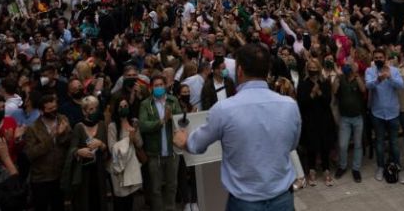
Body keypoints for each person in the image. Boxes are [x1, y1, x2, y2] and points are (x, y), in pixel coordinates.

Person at [175, 42, 301, 211]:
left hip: (245, 202)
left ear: (239, 71)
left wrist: (183, 140)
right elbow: (291, 144)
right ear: (267, 71)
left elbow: (196, 145)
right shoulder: (290, 105)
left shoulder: (223, 109)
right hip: (282, 199)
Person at [139, 76, 182, 211]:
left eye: (161, 85)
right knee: (156, 188)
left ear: (165, 86)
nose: (159, 87)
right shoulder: (146, 104)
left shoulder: (173, 101)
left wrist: (172, 117)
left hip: (172, 152)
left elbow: (180, 122)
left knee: (172, 185)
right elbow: (143, 125)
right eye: (156, 85)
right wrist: (161, 122)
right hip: (154, 153)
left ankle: (171, 208)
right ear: (151, 88)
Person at [365, 47, 404, 183]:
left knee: (394, 142)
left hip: (393, 112)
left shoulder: (394, 70)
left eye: (380, 58)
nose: (378, 60)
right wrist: (378, 79)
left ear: (385, 58)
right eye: (376, 58)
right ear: (373, 59)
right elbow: (368, 85)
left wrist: (390, 77)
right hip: (377, 114)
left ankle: (397, 166)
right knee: (380, 143)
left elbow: (401, 85)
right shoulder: (370, 71)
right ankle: (381, 167)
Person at [24, 94, 70, 211]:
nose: (53, 111)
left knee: (59, 206)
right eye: (49, 109)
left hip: (60, 175)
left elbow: (69, 142)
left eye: (55, 107)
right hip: (41, 178)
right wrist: (53, 136)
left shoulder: (63, 119)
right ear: (41, 110)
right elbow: (31, 154)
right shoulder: (32, 128)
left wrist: (62, 135)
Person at [61, 95, 108, 211]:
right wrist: (79, 152)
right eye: (91, 109)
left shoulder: (102, 125)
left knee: (100, 202)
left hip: (99, 171)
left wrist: (101, 144)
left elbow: (107, 149)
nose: (94, 111)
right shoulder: (78, 127)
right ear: (84, 111)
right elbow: (72, 150)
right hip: (83, 173)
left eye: (96, 108)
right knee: (85, 202)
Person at [296, 57, 336, 187]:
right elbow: (301, 103)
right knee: (311, 146)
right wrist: (312, 95)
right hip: (310, 119)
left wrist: (319, 93)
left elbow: (328, 101)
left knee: (325, 146)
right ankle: (311, 170)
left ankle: (326, 170)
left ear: (319, 69)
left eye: (315, 68)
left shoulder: (324, 82)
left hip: (324, 118)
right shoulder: (303, 82)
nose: (313, 70)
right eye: (310, 68)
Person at [107, 97, 144, 211]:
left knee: (129, 198)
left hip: (130, 165)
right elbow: (112, 148)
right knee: (119, 200)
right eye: (121, 107)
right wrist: (129, 140)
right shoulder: (112, 126)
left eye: (126, 106)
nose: (124, 109)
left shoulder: (133, 122)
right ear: (117, 109)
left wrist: (135, 132)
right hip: (118, 168)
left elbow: (140, 144)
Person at [333, 60, 365, 183]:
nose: (348, 67)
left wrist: (356, 75)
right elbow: (334, 91)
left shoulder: (358, 78)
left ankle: (356, 169)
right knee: (342, 145)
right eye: (346, 65)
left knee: (358, 144)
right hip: (345, 118)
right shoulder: (341, 79)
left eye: (350, 65)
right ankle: (342, 166)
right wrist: (337, 76)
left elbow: (363, 90)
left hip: (357, 118)